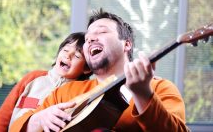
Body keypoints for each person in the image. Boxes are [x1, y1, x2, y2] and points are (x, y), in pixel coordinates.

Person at [10, 9, 189, 132]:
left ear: (127, 44)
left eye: (102, 32)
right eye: (87, 38)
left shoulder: (160, 88)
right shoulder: (65, 93)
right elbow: (16, 127)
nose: (90, 39)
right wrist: (39, 119)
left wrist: (144, 95)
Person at [0, 32, 91, 132]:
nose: (68, 55)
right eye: (66, 49)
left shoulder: (80, 93)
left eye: (77, 56)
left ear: (87, 68)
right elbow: (3, 117)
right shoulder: (33, 77)